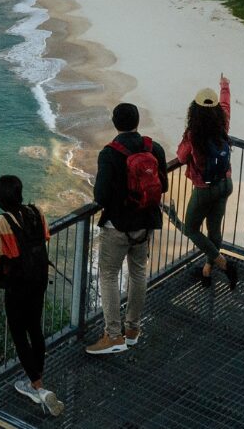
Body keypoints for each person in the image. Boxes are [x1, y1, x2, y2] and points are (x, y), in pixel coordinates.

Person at [0, 175, 65, 416]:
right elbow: (45, 236)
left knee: (18, 334)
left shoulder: (3, 221)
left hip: (17, 287)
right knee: (35, 327)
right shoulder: (36, 212)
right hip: (39, 280)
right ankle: (39, 379)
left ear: (0, 197)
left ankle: (38, 388)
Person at [87, 103, 167, 355]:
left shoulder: (109, 154)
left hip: (118, 225)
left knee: (109, 275)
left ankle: (113, 336)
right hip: (145, 223)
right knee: (138, 272)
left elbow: (100, 195)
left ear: (114, 123)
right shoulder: (154, 148)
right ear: (137, 121)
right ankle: (132, 330)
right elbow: (162, 185)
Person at [176, 75, 240, 290]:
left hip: (205, 189)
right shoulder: (223, 124)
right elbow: (226, 104)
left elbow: (182, 157)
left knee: (191, 228)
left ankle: (222, 263)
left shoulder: (193, 134)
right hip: (225, 184)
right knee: (214, 231)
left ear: (193, 110)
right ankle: (207, 269)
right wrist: (224, 85)